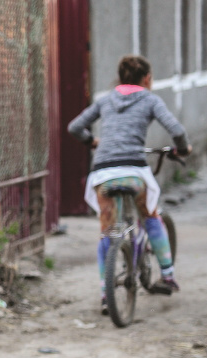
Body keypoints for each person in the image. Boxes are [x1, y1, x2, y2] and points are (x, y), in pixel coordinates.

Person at [68, 55, 192, 313]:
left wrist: (93, 142)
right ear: (147, 79)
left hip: (102, 173)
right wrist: (182, 149)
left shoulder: (105, 99)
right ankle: (167, 275)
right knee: (150, 215)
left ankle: (106, 293)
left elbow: (75, 127)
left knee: (108, 230)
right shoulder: (150, 99)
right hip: (133, 169)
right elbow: (176, 130)